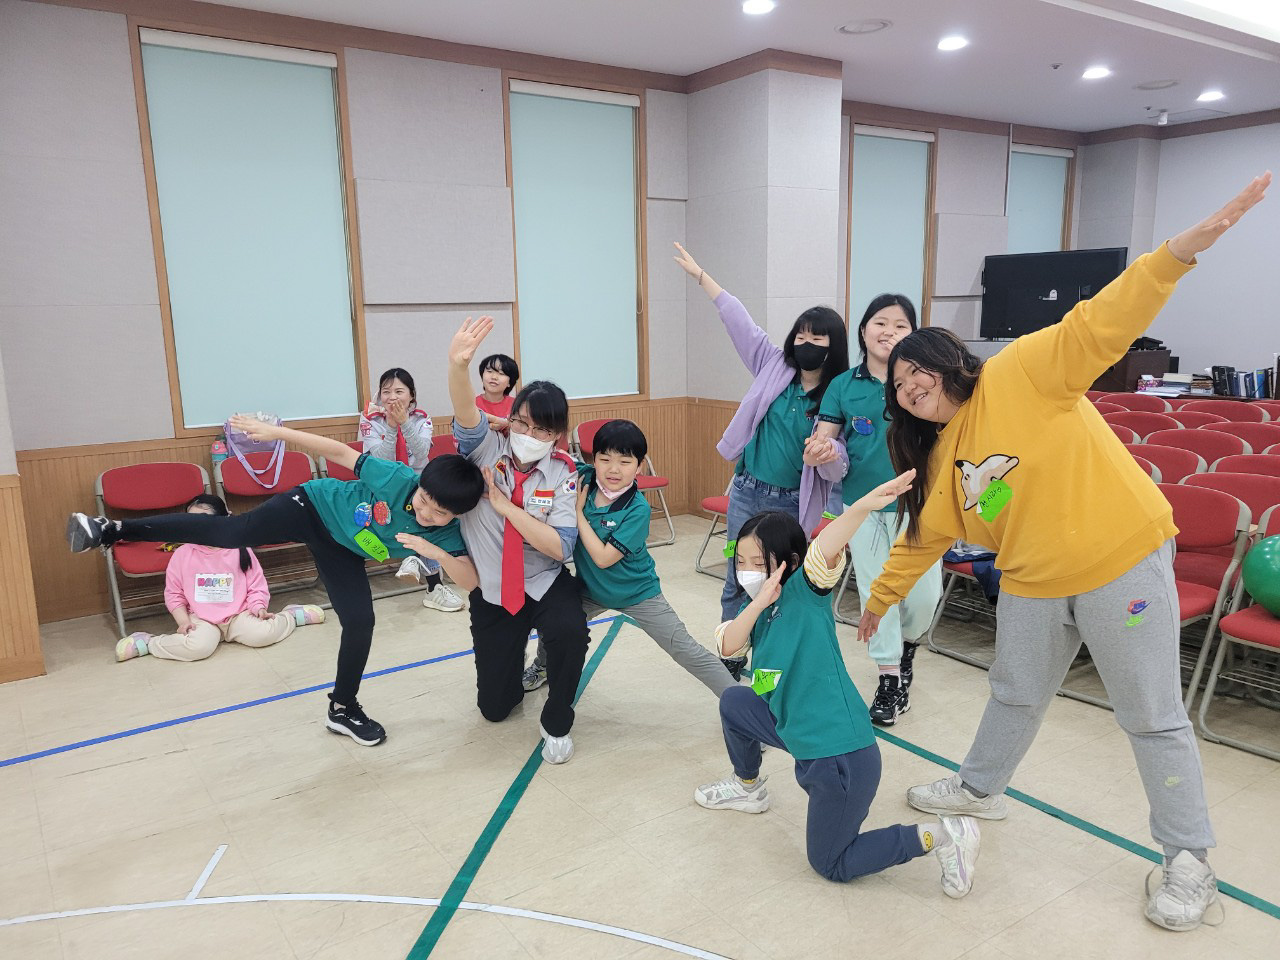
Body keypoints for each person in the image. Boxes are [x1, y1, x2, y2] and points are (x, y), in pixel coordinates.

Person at [859, 173, 1271, 932]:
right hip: (1032, 582)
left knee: (1151, 715)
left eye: (921, 371)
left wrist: (1177, 254)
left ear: (950, 360)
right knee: (1015, 692)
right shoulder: (942, 456)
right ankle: (981, 788)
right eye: (900, 384)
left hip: (1121, 563)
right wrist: (881, 597)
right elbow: (928, 535)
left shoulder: (1021, 372)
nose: (911, 387)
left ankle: (1189, 858)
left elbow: (1099, 322)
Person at [68, 418, 485, 746]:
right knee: (233, 532)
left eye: (439, 514)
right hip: (311, 506)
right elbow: (339, 451)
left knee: (361, 622)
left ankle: (342, 709)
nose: (425, 514)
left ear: (456, 516)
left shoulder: (447, 534)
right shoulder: (397, 478)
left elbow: (470, 582)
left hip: (343, 548)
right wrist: (277, 434)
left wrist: (435, 553)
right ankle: (112, 529)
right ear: (420, 485)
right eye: (424, 501)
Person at [694, 470, 980, 898]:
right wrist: (757, 603)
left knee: (831, 862)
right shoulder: (756, 614)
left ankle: (942, 836)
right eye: (741, 562)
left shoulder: (805, 593)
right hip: (796, 730)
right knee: (735, 702)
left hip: (839, 757)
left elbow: (826, 547)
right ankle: (747, 788)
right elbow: (727, 645)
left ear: (789, 564)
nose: (747, 571)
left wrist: (862, 506)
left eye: (759, 563)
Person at [673, 242, 849, 678]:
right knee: (739, 576)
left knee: (782, 584)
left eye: (817, 338)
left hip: (792, 504)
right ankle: (731, 661)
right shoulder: (773, 365)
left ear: (834, 346)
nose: (805, 344)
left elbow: (839, 466)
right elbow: (740, 323)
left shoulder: (840, 393)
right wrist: (703, 278)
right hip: (748, 491)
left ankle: (773, 664)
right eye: (801, 336)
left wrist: (827, 454)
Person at [447, 316, 591, 764]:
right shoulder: (485, 448)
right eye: (523, 424)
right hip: (493, 586)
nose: (531, 436)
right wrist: (458, 367)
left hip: (544, 579)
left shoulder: (564, 472)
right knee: (495, 708)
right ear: (511, 419)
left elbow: (560, 547)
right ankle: (514, 669)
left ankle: (558, 717)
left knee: (571, 632)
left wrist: (506, 508)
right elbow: (465, 413)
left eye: (543, 430)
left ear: (557, 435)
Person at [521, 420, 736, 697]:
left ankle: (738, 698)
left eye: (624, 462)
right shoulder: (583, 478)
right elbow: (546, 451)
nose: (613, 469)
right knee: (554, 620)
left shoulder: (638, 509)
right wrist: (508, 424)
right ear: (593, 460)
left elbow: (602, 558)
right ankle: (543, 666)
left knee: (683, 647)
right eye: (605, 459)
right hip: (590, 591)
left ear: (639, 466)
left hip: (638, 594)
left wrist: (578, 514)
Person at [813, 294, 940, 726]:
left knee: (923, 596)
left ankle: (907, 648)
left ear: (913, 334)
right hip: (862, 506)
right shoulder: (843, 386)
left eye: (901, 325)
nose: (889, 332)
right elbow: (827, 439)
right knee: (874, 589)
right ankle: (889, 679)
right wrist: (819, 450)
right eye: (880, 322)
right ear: (864, 330)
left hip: (919, 506)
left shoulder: (925, 383)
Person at [115, 493, 325, 663]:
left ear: (223, 521)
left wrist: (259, 608)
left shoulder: (239, 548)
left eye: (202, 521)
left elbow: (256, 587)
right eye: (190, 522)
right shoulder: (182, 554)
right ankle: (148, 643)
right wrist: (184, 622)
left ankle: (290, 616)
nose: (196, 527)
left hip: (239, 615)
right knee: (198, 647)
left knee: (263, 635)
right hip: (201, 618)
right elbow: (174, 594)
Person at [360, 367, 465, 614]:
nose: (392, 397)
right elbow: (381, 461)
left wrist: (405, 423)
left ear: (411, 395)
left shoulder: (421, 419)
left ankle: (430, 581)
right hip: (385, 487)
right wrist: (391, 427)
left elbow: (421, 453)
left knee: (428, 517)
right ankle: (417, 564)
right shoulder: (369, 420)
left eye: (399, 391)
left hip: (417, 484)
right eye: (386, 392)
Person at [476, 353, 519, 432]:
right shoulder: (471, 405)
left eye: (501, 373)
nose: (494, 377)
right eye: (489, 371)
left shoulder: (517, 405)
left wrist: (507, 425)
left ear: (509, 382)